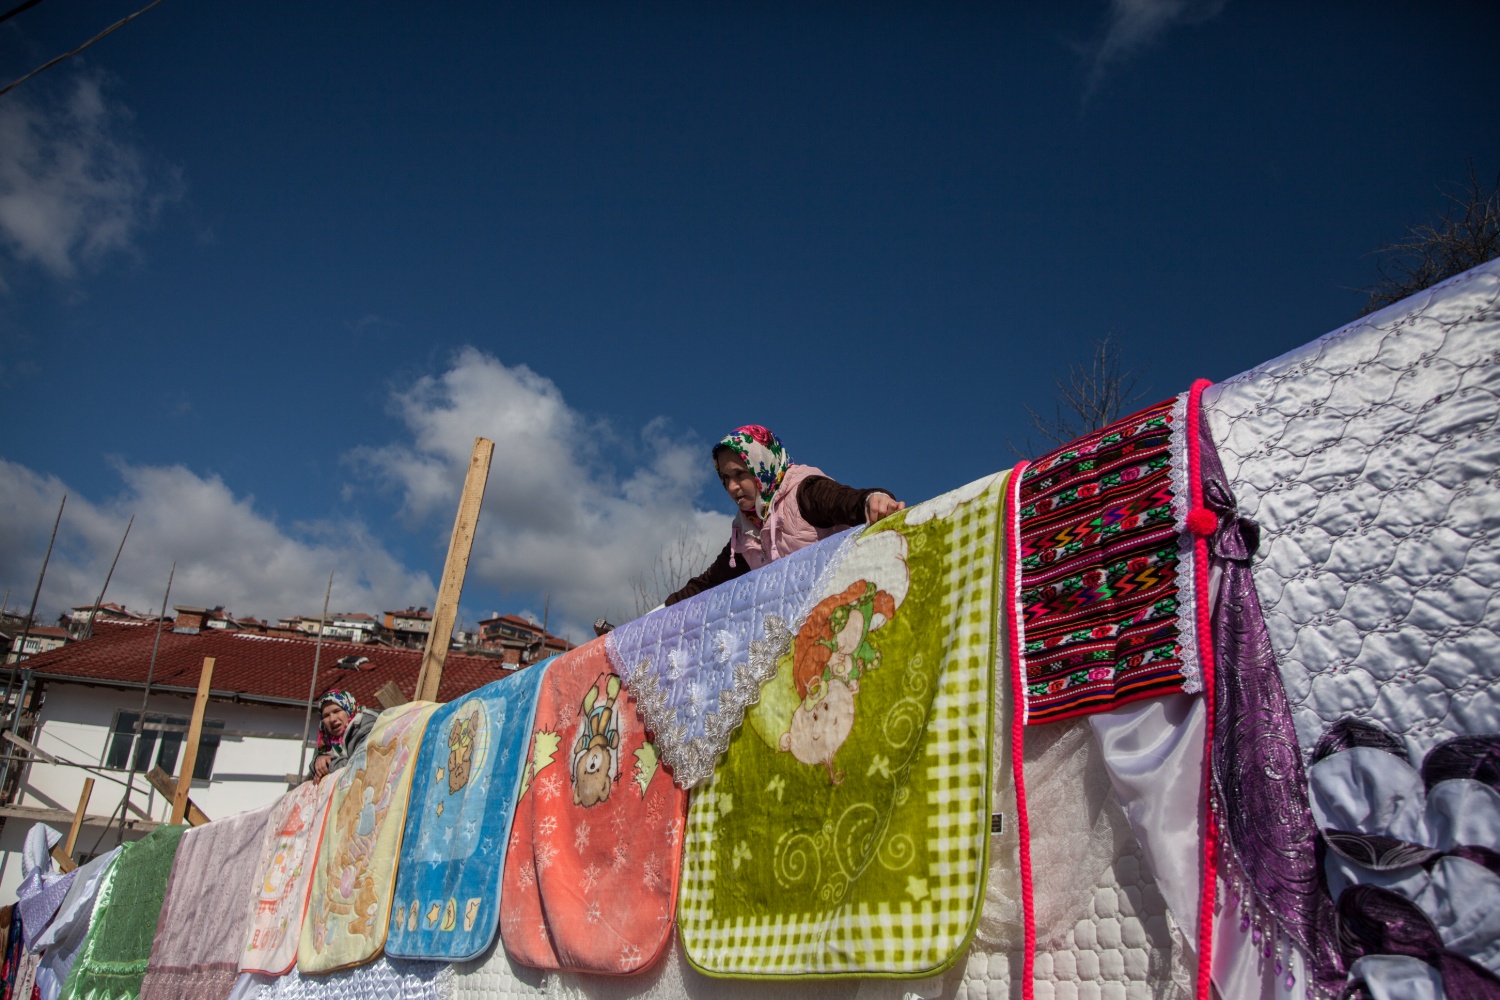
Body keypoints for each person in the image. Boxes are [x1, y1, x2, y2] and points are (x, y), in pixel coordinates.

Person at [665, 425, 904, 606]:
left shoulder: (804, 492)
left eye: (740, 474)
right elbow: (709, 582)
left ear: (761, 467)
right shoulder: (745, 534)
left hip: (847, 604)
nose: (732, 487)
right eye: (725, 478)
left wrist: (875, 499)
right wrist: (661, 611)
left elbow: (848, 501)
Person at [308, 690, 379, 782]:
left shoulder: (366, 727)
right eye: (326, 715)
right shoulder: (327, 740)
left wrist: (328, 765)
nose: (332, 719)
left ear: (349, 709)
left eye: (336, 711)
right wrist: (318, 761)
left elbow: (359, 764)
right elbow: (313, 772)